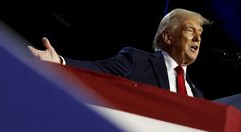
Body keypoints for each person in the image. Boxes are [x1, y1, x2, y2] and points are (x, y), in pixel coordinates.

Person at [27, 8, 211, 98]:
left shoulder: (198, 95)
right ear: (168, 37)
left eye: (200, 34)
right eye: (190, 30)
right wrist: (60, 62)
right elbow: (99, 71)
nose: (197, 38)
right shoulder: (137, 61)